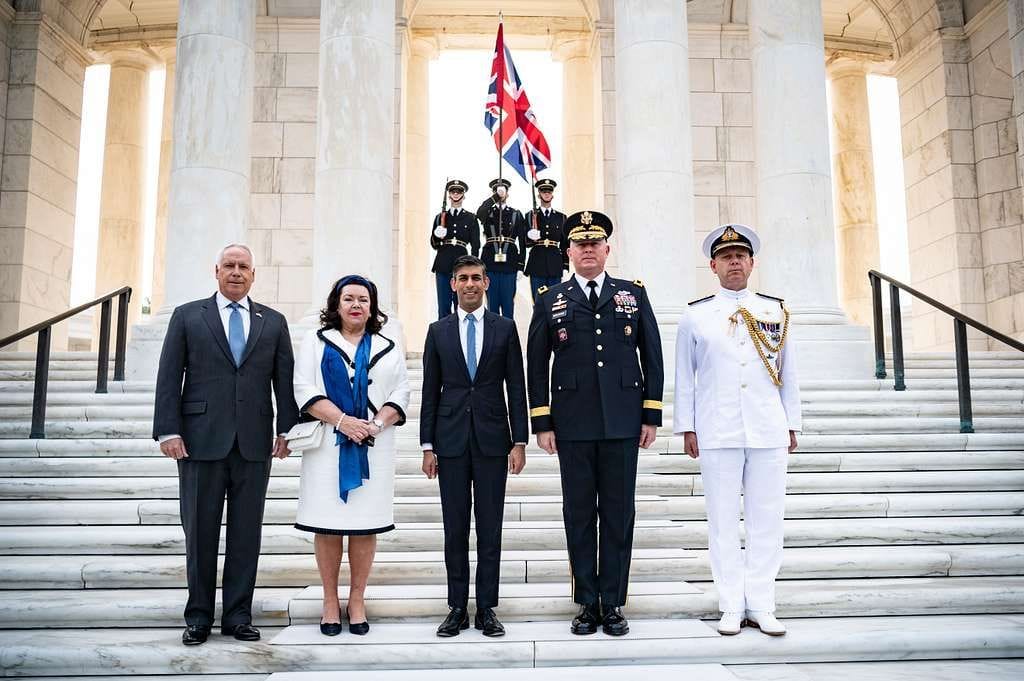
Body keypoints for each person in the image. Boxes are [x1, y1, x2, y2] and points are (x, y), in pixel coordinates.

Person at [153, 243, 299, 646]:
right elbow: (169, 375)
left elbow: (283, 381)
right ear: (216, 270)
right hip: (199, 442)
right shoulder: (187, 316)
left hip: (254, 444)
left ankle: (238, 615)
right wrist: (168, 430)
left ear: (254, 274)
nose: (236, 272)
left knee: (245, 533)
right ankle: (198, 616)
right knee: (199, 532)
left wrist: (287, 429)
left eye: (244, 267)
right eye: (230, 266)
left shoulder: (273, 321)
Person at [526, 211, 664, 637]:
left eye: (595, 243)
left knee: (619, 514)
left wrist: (651, 414)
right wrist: (542, 420)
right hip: (572, 425)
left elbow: (652, 355)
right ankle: (587, 601)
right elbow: (535, 362)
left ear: (607, 249)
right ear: (568, 252)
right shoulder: (551, 298)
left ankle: (614, 603)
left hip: (624, 423)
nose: (588, 249)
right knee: (580, 514)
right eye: (580, 244)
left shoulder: (632, 294)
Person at [673, 223, 801, 637]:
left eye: (740, 256)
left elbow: (789, 373)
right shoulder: (695, 315)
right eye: (726, 257)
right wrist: (687, 426)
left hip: (766, 428)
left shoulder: (775, 310)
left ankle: (762, 603)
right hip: (717, 428)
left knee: (767, 519)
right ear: (713, 265)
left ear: (752, 263)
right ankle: (731, 605)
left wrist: (791, 423)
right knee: (723, 522)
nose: (734, 262)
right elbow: (684, 377)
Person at [292, 275, 411, 636]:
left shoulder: (388, 344)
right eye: (348, 299)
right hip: (328, 443)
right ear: (337, 304)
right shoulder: (315, 341)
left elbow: (402, 389)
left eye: (363, 299)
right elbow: (303, 386)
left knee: (364, 526)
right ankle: (330, 600)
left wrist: (373, 425)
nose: (356, 305)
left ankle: (357, 599)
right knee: (328, 525)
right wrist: (343, 422)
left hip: (374, 444)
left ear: (372, 306)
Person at [420, 254, 528, 638]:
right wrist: (427, 444)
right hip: (448, 442)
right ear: (453, 284)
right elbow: (430, 389)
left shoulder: (505, 328)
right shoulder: (438, 331)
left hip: (492, 440)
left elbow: (516, 386)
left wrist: (519, 440)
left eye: (476, 278)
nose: (469, 284)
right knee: (454, 528)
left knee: (490, 528)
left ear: (486, 284)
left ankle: (486, 608)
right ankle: (455, 607)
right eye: (462, 277)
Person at [476, 178, 526, 319]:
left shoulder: (515, 213)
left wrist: (521, 266)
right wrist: (495, 197)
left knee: (508, 308)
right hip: (490, 264)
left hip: (509, 263)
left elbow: (522, 242)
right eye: (497, 191)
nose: (501, 194)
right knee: (492, 308)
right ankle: (493, 340)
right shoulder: (488, 212)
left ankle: (509, 340)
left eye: (503, 191)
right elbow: (479, 213)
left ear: (508, 193)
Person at [431, 179, 481, 320]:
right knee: (443, 306)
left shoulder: (471, 218)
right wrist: (437, 235)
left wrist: (473, 266)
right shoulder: (440, 217)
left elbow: (475, 245)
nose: (456, 194)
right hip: (443, 263)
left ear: (463, 195)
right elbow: (434, 244)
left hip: (461, 265)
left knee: (461, 305)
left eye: (459, 191)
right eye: (453, 191)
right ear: (449, 195)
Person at [524, 178, 568, 301]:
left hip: (555, 263)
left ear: (552, 195)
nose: (547, 194)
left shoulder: (562, 217)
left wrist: (565, 265)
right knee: (538, 301)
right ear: (539, 194)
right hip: (537, 262)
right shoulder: (530, 215)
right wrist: (530, 236)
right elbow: (525, 243)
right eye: (544, 191)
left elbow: (565, 244)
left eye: (549, 191)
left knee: (555, 302)